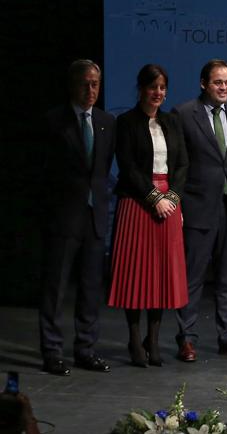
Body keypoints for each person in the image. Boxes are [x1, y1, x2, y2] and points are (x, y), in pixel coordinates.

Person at [172, 59, 227, 362]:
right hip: (197, 207)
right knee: (193, 278)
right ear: (204, 84)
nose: (224, 88)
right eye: (218, 82)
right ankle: (187, 338)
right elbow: (178, 164)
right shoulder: (183, 114)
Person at [108, 63, 190, 367]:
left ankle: (153, 340)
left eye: (162, 88)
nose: (158, 93)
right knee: (136, 274)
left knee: (162, 276)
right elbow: (127, 167)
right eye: (153, 87)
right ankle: (134, 339)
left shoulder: (171, 122)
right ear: (141, 88)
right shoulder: (126, 122)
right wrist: (153, 198)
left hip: (169, 202)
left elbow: (182, 164)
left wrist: (171, 197)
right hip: (137, 203)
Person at [39, 59, 115, 376]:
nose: (91, 90)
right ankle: (52, 351)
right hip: (64, 218)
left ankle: (85, 349)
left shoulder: (106, 121)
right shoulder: (53, 121)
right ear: (73, 85)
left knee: (91, 288)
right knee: (55, 289)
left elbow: (102, 170)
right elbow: (43, 170)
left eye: (95, 83)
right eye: (85, 83)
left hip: (95, 216)